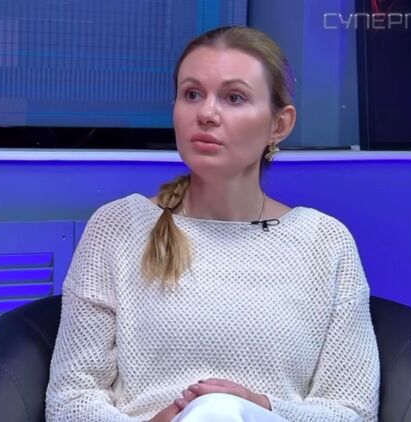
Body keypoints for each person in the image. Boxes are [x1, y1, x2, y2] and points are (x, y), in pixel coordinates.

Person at [45, 26, 380, 421]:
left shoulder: (325, 241)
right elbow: (70, 401)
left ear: (279, 125)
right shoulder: (118, 227)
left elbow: (352, 412)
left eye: (233, 97)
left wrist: (258, 407)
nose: (205, 113)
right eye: (192, 94)